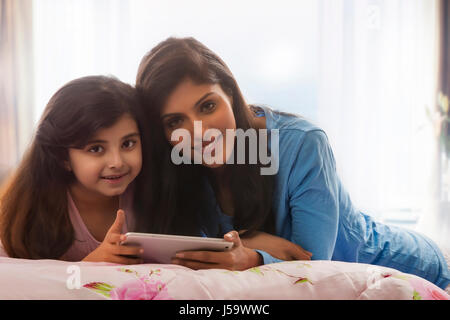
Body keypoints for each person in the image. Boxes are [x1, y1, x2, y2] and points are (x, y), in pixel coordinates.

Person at [134, 36, 450, 290]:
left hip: (408, 267)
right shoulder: (180, 170)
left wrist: (253, 256)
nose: (198, 132)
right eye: (175, 121)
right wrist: (254, 244)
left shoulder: (301, 143)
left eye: (207, 106)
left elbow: (314, 267)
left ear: (230, 93)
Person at [0, 76, 144, 264]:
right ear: (63, 157)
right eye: (96, 149)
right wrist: (90, 265)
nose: (117, 162)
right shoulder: (26, 214)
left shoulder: (153, 197)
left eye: (128, 143)